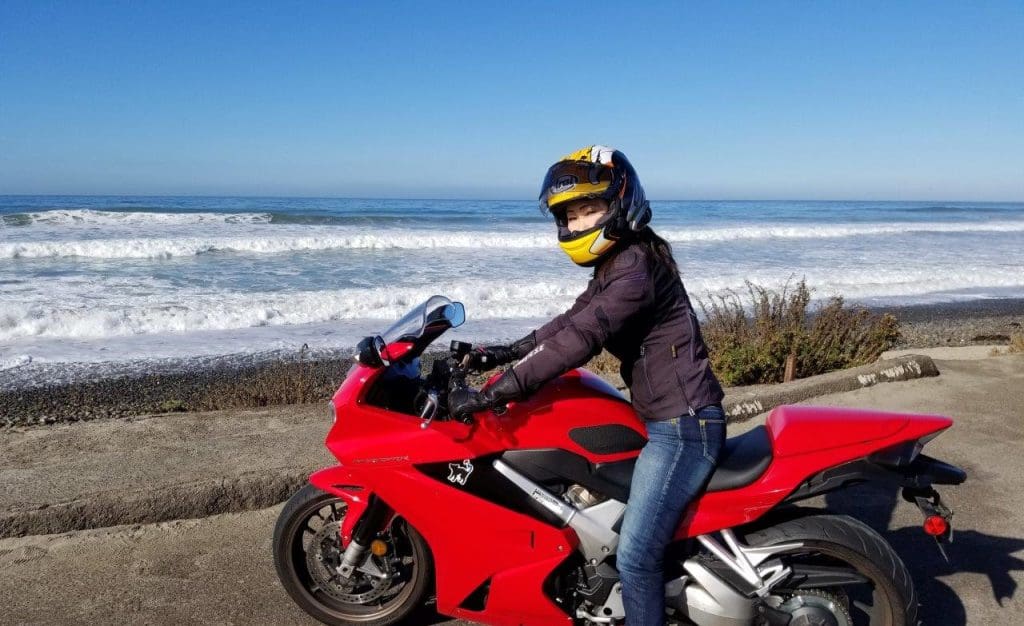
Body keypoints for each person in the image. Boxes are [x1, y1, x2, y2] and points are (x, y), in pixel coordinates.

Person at [449, 145, 726, 625]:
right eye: (570, 215)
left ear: (619, 204)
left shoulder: (634, 270)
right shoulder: (619, 262)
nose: (577, 225)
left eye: (589, 209)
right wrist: (505, 352)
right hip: (665, 416)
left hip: (683, 428)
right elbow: (572, 319)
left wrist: (496, 393)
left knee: (637, 558)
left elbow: (582, 339)